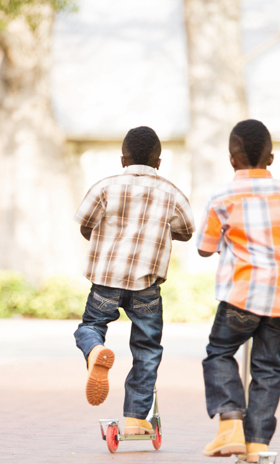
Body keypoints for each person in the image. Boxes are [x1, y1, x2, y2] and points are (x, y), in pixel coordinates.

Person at [197, 119, 280, 460]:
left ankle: (231, 421)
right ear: (271, 158)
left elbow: (204, 248)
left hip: (240, 294)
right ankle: (258, 444)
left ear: (232, 159)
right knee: (268, 367)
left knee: (220, 353)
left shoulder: (222, 198)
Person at [73, 126, 194, 435]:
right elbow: (186, 230)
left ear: (123, 159)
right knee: (147, 349)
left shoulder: (105, 187)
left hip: (106, 280)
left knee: (90, 326)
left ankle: (94, 350)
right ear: (159, 161)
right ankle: (135, 420)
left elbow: (85, 223)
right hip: (146, 287)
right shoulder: (172, 192)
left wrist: (100, 235)